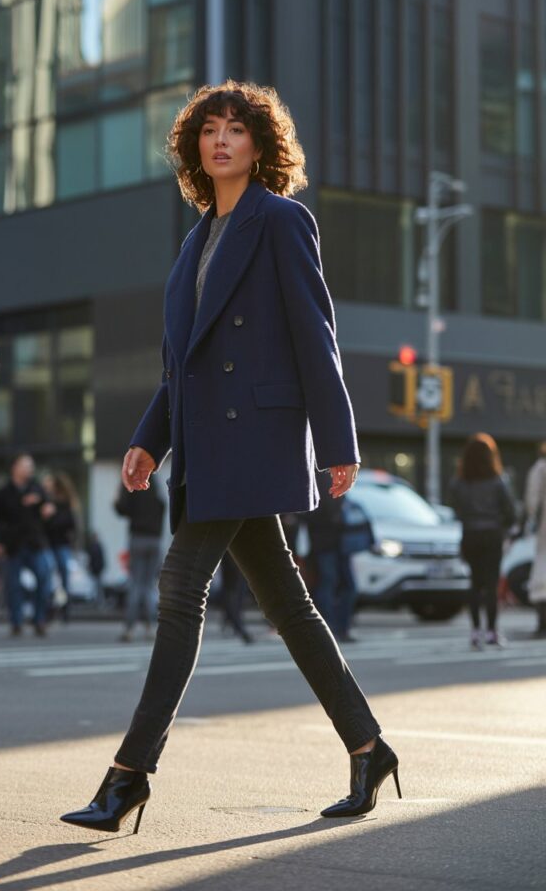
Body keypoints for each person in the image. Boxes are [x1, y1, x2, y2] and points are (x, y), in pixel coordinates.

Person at [61, 80, 399, 835]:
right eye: (208, 130)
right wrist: (150, 437)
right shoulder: (194, 240)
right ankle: (369, 747)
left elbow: (317, 334)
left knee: (181, 585)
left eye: (235, 130)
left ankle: (127, 777)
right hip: (211, 445)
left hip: (258, 436)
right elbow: (179, 364)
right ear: (194, 148)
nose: (221, 140)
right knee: (288, 605)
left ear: (259, 145)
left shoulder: (282, 221)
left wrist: (337, 441)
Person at [450, 433, 516, 649]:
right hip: (492, 534)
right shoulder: (497, 481)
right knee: (491, 585)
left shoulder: (460, 482)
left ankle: (475, 632)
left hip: (470, 534)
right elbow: (510, 510)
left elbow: (456, 508)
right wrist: (505, 527)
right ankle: (492, 631)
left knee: (474, 584)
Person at [0, 454, 56, 637]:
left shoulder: (37, 489)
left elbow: (49, 511)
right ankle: (16, 621)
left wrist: (46, 509)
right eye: (25, 465)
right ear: (15, 467)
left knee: (44, 577)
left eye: (31, 466)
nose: (29, 469)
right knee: (13, 584)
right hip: (13, 543)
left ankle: (39, 619)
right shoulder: (3, 493)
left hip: (35, 541)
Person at [306, 470, 358, 643]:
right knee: (329, 583)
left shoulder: (333, 472)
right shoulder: (320, 474)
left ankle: (338, 628)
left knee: (342, 585)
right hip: (326, 541)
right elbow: (317, 511)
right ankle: (330, 629)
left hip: (337, 541)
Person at [114, 477, 165, 642]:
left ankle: (129, 628)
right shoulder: (158, 500)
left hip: (137, 538)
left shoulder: (135, 496)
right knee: (150, 585)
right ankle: (151, 626)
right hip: (155, 541)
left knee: (135, 584)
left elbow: (122, 508)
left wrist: (118, 495)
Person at [41, 472, 80, 622]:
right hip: (48, 544)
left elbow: (69, 524)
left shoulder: (64, 503)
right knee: (49, 577)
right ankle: (50, 608)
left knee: (62, 579)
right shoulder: (44, 501)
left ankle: (63, 608)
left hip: (61, 544)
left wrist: (52, 516)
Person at [524, 441, 546, 637]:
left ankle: (542, 623)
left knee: (541, 574)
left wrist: (532, 518)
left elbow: (532, 501)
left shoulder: (540, 469)